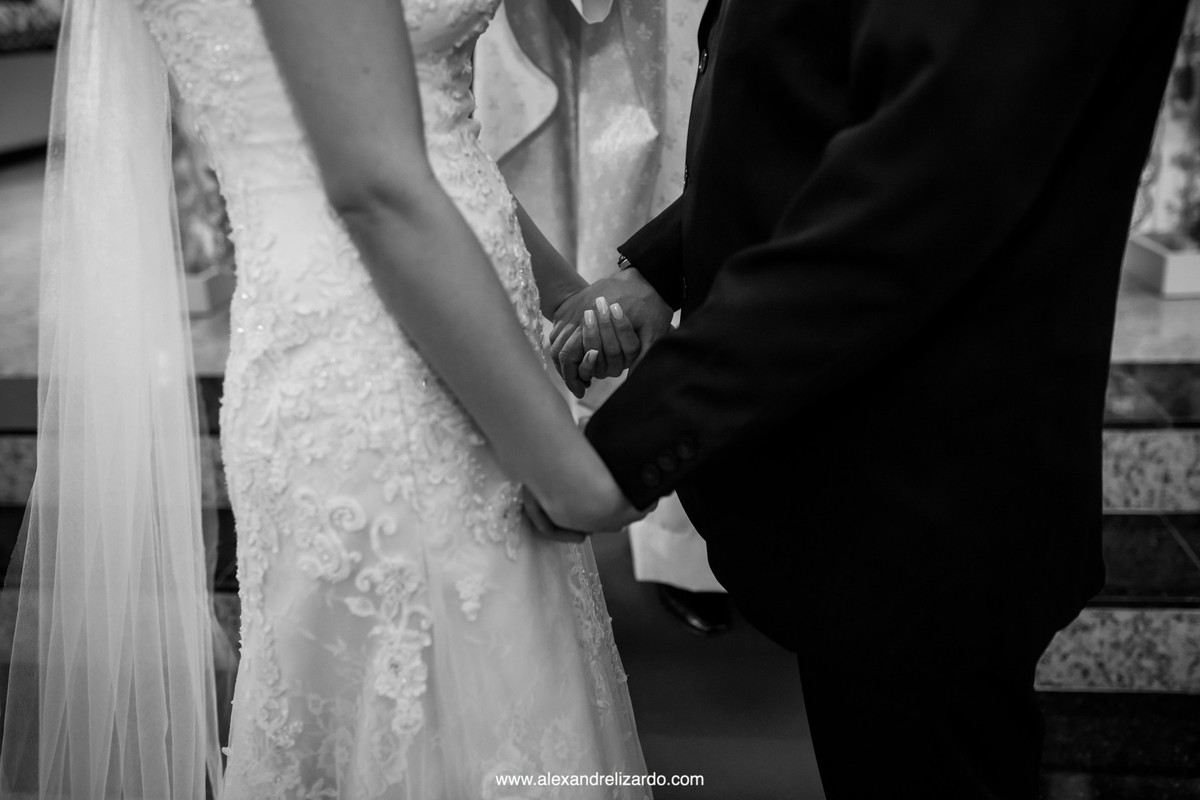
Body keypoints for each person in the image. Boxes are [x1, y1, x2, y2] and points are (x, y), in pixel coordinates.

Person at [1, 0, 652, 796]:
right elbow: (377, 187)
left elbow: (417, 141)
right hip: (388, 369)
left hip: (425, 322)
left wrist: (560, 295)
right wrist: (566, 467)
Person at [545, 1, 1189, 797]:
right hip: (852, 479)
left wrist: (622, 450)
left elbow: (916, 196)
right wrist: (664, 268)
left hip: (927, 491)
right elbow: (833, 109)